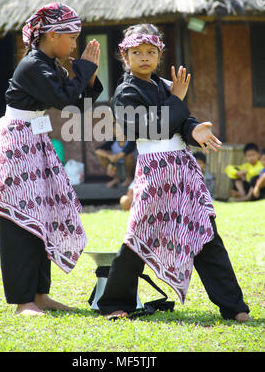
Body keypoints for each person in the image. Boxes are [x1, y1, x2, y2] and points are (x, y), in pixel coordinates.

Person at [97, 23, 250, 323]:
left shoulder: (167, 86)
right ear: (125, 57)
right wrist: (177, 100)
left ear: (159, 55)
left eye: (151, 52)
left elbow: (183, 122)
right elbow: (149, 128)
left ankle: (234, 307)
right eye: (137, 52)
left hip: (183, 173)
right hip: (154, 174)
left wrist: (196, 131)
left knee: (206, 235)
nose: (144, 58)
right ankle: (115, 301)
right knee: (139, 237)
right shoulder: (125, 92)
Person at [0, 2, 103, 316]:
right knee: (18, 216)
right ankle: (23, 300)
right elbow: (64, 100)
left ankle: (40, 295)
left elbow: (78, 104)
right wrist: (84, 70)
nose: (75, 45)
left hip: (35, 139)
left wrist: (87, 76)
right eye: (72, 37)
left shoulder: (50, 63)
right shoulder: (34, 64)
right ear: (52, 35)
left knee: (44, 211)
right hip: (18, 143)